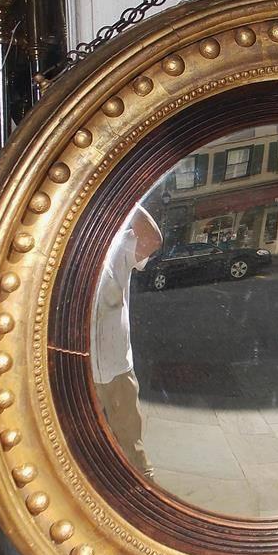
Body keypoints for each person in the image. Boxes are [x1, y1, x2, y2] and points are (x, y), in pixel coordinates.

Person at [91, 204, 162, 477]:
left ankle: (144, 498)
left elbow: (152, 240)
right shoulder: (60, 244)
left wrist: (125, 197)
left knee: (132, 448)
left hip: (117, 367)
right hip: (76, 368)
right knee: (83, 445)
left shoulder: (118, 242)